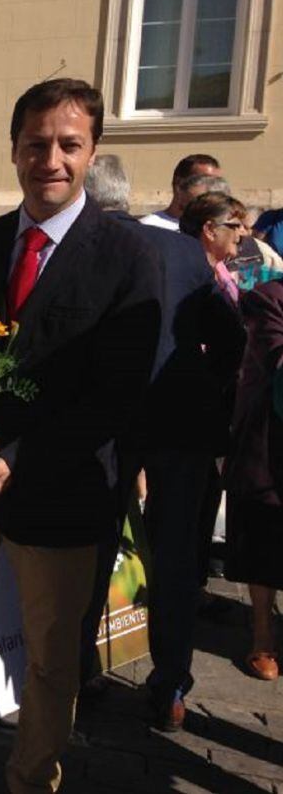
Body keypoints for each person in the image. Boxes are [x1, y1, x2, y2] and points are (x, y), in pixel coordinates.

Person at [0, 79, 160, 794]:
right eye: (35, 144)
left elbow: (116, 396)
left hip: (59, 488)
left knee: (53, 656)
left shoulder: (126, 255)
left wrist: (13, 458)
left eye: (67, 144)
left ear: (92, 151)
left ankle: (31, 777)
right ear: (14, 149)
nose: (49, 158)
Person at [78, 155, 245, 729]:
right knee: (176, 557)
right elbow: (231, 335)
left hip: (112, 421)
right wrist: (200, 380)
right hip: (184, 416)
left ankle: (79, 672)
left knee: (94, 544)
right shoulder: (182, 249)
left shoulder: (89, 244)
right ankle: (170, 684)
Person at [225, 278, 283, 682]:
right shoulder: (269, 298)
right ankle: (262, 633)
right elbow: (275, 357)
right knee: (265, 541)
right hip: (271, 445)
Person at [180, 192, 248, 306]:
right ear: (210, 230)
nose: (243, 233)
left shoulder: (221, 271)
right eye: (236, 226)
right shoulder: (187, 276)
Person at [140, 154, 221, 231]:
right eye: (205, 182)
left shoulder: (219, 230)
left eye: (218, 183)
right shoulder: (148, 227)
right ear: (179, 185)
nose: (213, 190)